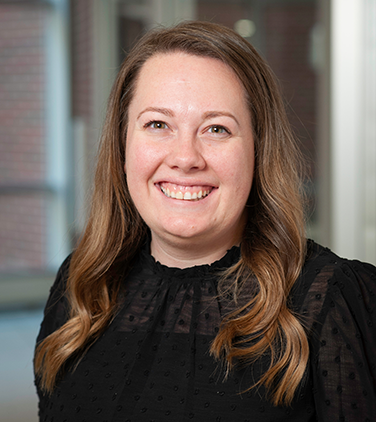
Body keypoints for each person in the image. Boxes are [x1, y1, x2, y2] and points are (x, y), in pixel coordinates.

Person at [34, 21, 376, 422]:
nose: (185, 157)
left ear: (257, 151)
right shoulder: (81, 285)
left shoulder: (335, 298)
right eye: (157, 124)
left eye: (217, 129)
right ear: (122, 144)